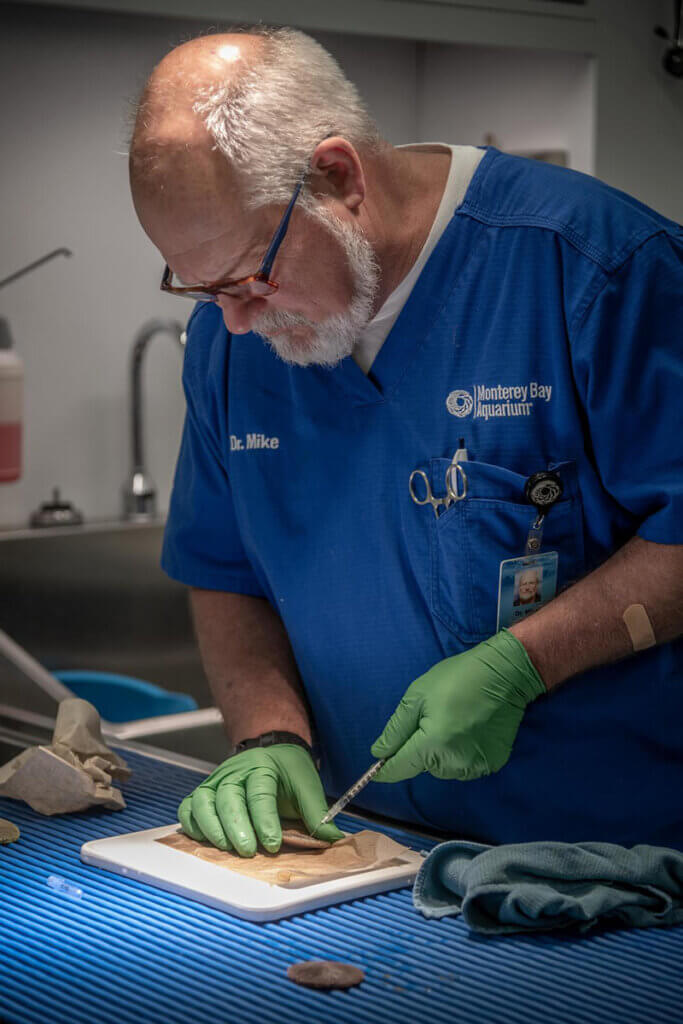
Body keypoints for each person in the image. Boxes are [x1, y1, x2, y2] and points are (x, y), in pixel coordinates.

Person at [129, 28, 683, 858]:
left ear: (338, 176)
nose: (235, 319)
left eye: (248, 277)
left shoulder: (596, 270)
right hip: (373, 856)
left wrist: (523, 665)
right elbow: (224, 569)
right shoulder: (233, 340)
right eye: (202, 290)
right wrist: (266, 735)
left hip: (614, 864)